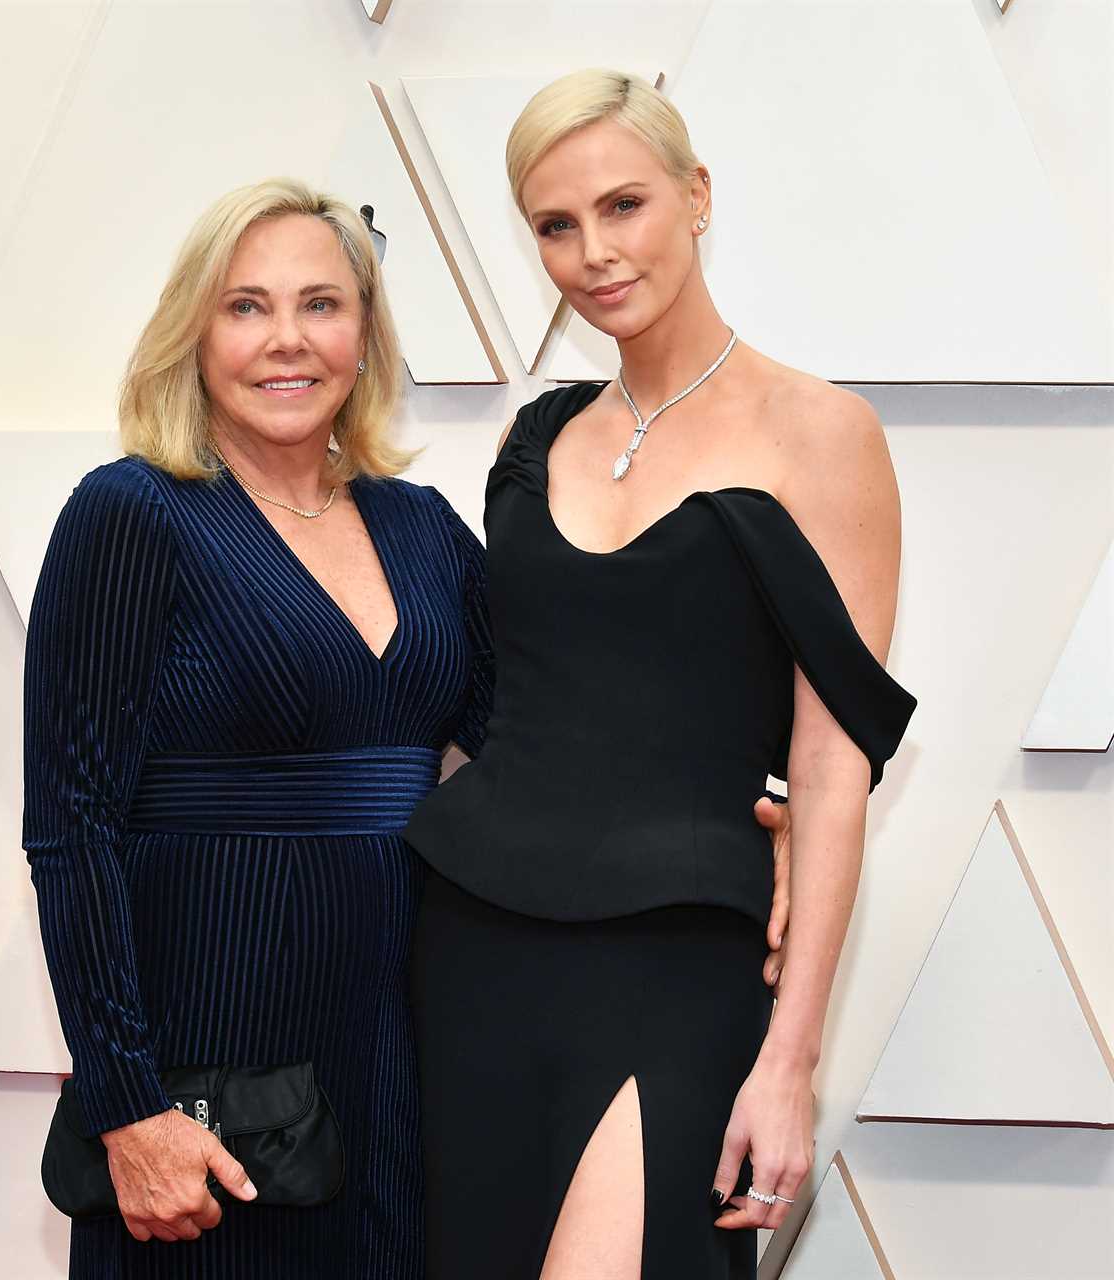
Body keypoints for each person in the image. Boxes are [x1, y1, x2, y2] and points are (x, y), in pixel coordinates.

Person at [402, 69, 918, 1280]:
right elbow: (507, 700)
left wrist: (788, 1061)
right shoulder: (534, 439)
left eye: (622, 205)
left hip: (680, 958)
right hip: (473, 940)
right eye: (554, 224)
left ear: (695, 197)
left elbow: (829, 767)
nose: (592, 251)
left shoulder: (821, 433)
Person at [22, 178, 496, 1279]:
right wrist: (128, 1106)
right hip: (206, 1081)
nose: (287, 339)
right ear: (194, 333)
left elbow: (541, 741)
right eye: (246, 306)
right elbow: (71, 828)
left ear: (364, 335)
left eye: (320, 304)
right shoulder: (132, 513)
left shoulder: (422, 525)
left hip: (398, 1060)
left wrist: (740, 806)